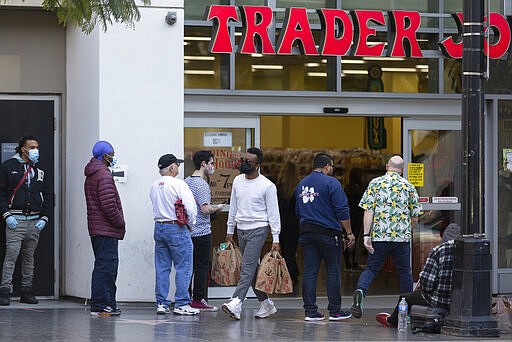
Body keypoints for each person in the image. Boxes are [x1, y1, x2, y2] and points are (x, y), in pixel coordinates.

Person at [351, 155, 422, 319]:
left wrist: (367, 235)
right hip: (401, 239)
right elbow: (415, 216)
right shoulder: (408, 186)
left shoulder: (375, 184)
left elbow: (368, 211)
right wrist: (407, 230)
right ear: (402, 170)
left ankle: (361, 290)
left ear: (386, 167)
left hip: (379, 237)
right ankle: (405, 309)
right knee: (405, 272)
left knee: (372, 268)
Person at [221, 147, 281, 320]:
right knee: (252, 268)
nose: (245, 163)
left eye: (249, 161)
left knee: (246, 266)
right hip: (241, 228)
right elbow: (233, 206)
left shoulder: (267, 186)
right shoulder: (238, 181)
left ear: (258, 165)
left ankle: (237, 301)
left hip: (259, 228)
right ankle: (266, 304)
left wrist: (276, 238)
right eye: (244, 160)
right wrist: (229, 230)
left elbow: (273, 214)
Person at [295, 153, 355, 321]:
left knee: (309, 272)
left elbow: (298, 211)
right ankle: (335, 311)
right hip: (329, 234)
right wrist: (349, 233)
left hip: (307, 233)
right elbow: (342, 210)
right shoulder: (332, 183)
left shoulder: (301, 184)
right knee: (333, 271)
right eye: (332, 166)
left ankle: (310, 311)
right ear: (327, 166)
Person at [375, 223, 461, 327]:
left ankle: (391, 321)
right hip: (459, 301)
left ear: (443, 236)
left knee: (406, 298)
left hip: (438, 300)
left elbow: (428, 284)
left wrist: (422, 283)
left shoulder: (438, 251)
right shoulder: (466, 251)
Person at [0, 135, 51, 306]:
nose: (36, 150)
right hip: (16, 220)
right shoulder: (8, 167)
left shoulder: (40, 170)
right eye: (32, 147)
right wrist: (7, 215)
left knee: (29, 257)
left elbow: (48, 196)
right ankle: (5, 290)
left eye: (37, 147)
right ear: (23, 149)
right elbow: (1, 193)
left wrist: (44, 217)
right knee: (11, 256)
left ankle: (27, 290)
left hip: (34, 221)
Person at [149, 154, 198, 316]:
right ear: (171, 167)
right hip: (176, 227)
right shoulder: (179, 184)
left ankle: (162, 303)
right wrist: (191, 225)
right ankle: (182, 303)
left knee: (162, 267)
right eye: (177, 165)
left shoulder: (154, 185)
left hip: (159, 227)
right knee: (184, 266)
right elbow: (190, 208)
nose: (178, 167)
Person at [84, 140, 125, 316]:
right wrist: (120, 222)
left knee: (103, 266)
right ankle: (102, 304)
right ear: (104, 155)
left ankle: (105, 303)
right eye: (112, 154)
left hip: (97, 228)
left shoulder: (92, 174)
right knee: (107, 267)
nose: (113, 157)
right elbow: (109, 205)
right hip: (106, 228)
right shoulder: (104, 175)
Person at [184, 150, 225, 311]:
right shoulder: (202, 184)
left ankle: (185, 297)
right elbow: (205, 209)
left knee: (189, 266)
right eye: (212, 163)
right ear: (203, 164)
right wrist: (219, 207)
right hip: (201, 231)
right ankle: (198, 299)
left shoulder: (187, 181)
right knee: (202, 266)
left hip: (188, 230)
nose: (213, 166)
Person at [276, 161, 300, 285]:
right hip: (294, 224)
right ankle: (293, 273)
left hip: (281, 223)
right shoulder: (298, 188)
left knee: (284, 250)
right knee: (291, 251)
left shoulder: (279, 187)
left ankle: (289, 274)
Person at [343, 167, 365, 272]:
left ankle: (347, 263)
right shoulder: (362, 189)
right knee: (357, 239)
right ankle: (355, 263)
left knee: (347, 238)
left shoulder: (347, 189)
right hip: (359, 216)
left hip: (348, 216)